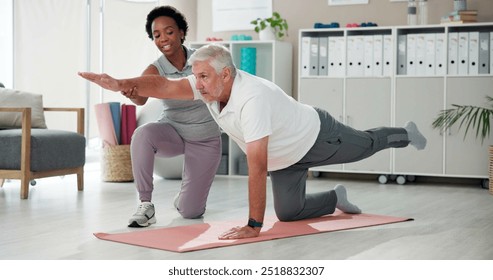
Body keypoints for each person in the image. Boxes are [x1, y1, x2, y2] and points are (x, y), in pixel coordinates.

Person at [79, 44, 427, 239]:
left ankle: (405, 134)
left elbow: (256, 166)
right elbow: (166, 87)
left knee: (365, 146)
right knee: (290, 213)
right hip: (285, 158)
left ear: (225, 74)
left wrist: (253, 226)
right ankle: (336, 197)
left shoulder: (252, 99)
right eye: (195, 76)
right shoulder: (209, 87)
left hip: (316, 135)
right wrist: (121, 83)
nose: (196, 84)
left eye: (203, 76)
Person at [123, 6, 222, 227]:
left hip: (205, 138)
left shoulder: (202, 59)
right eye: (156, 35)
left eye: (168, 31)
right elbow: (140, 99)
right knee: (142, 134)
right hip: (173, 132)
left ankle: (186, 198)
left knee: (191, 212)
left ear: (181, 32)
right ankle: (145, 204)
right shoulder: (155, 69)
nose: (163, 39)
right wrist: (132, 93)